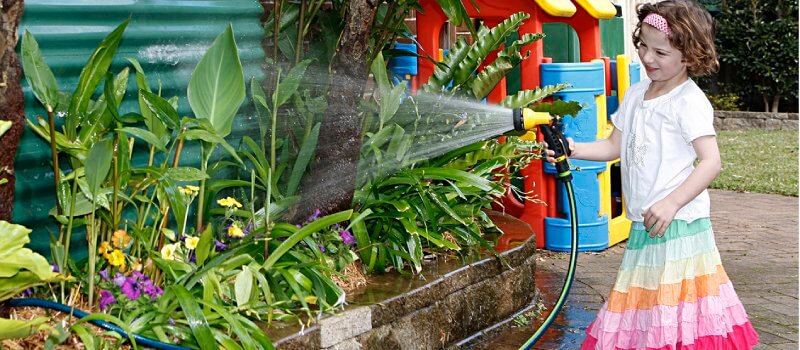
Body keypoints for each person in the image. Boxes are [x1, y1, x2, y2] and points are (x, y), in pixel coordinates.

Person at [544, 0, 760, 348]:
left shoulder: (688, 102)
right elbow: (614, 146)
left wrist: (672, 203)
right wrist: (574, 148)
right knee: (651, 307)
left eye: (660, 52)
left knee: (674, 308)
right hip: (645, 223)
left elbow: (711, 162)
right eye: (643, 45)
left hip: (677, 224)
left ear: (689, 56)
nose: (647, 57)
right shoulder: (635, 95)